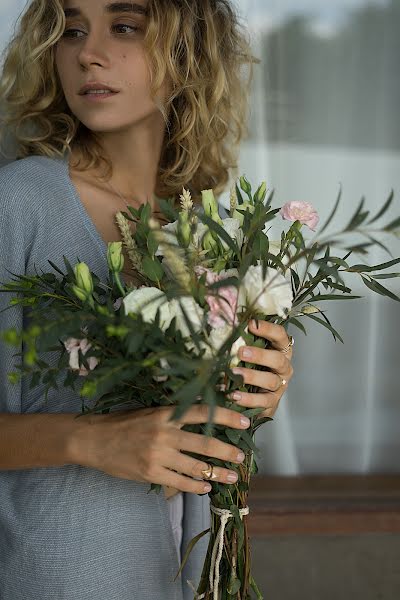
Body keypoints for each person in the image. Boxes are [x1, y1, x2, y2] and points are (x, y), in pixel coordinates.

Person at [0, 1, 294, 599]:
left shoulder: (203, 229)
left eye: (125, 27)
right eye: (71, 31)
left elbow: (191, 432)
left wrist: (254, 391)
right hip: (52, 576)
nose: (87, 52)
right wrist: (91, 439)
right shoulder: (21, 202)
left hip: (178, 575)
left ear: (187, 57)